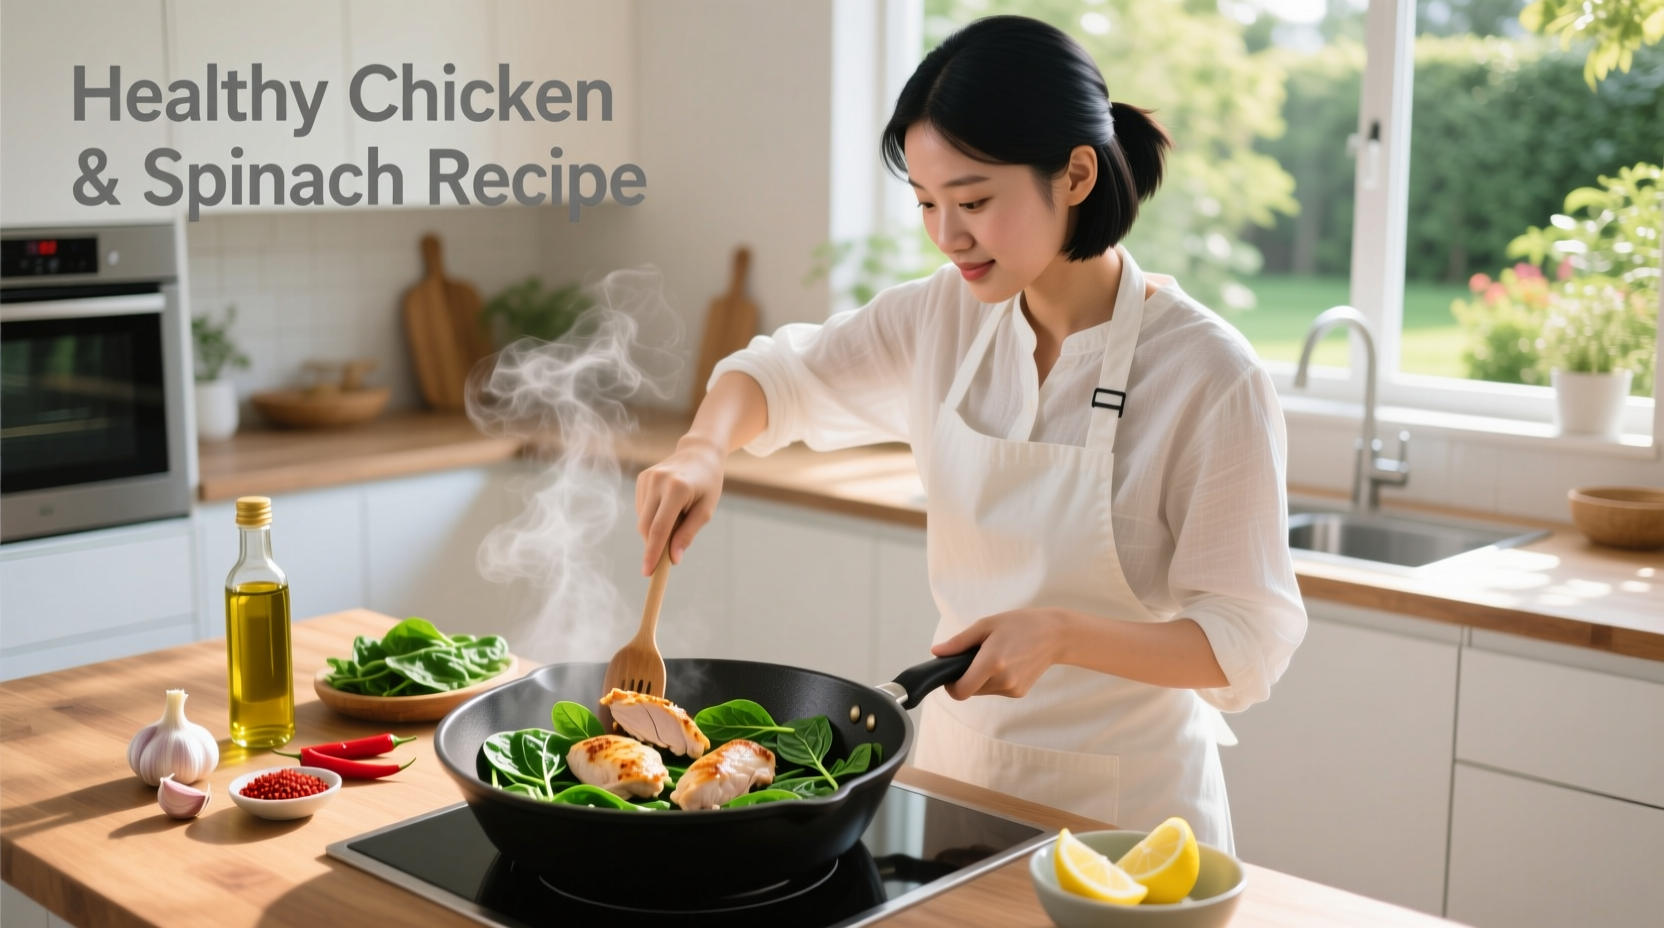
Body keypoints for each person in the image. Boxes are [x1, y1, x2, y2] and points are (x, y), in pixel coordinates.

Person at [633, 15, 1305, 852]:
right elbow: (777, 376)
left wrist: (1060, 634)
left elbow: (1246, 641)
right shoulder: (941, 317)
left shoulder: (1207, 373)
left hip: (1130, 815)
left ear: (1076, 174)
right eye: (926, 203)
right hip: (956, 782)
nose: (948, 236)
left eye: (975, 201)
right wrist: (702, 449)